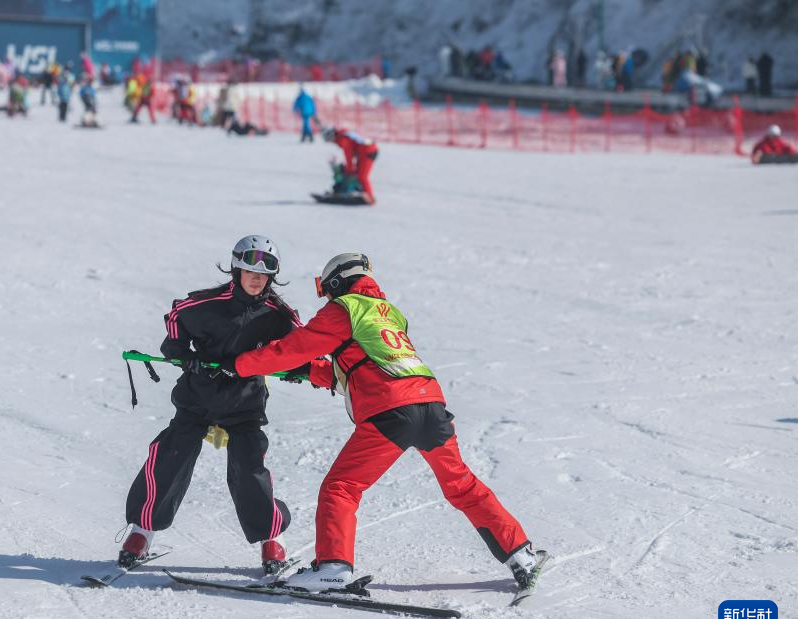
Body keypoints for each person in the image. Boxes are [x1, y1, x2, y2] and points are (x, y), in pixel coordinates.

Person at [219, 254, 544, 593]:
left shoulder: (344, 308)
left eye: (326, 291)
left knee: (341, 487)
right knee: (461, 485)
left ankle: (332, 568)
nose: (326, 298)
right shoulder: (388, 313)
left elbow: (293, 348)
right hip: (431, 406)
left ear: (335, 283)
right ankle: (521, 555)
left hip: (392, 412)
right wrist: (310, 371)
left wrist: (238, 365)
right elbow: (363, 367)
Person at [117, 236, 301, 576]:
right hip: (198, 398)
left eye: (264, 273)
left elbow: (300, 344)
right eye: (249, 269)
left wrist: (295, 367)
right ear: (236, 269)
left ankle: (271, 539)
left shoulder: (277, 315)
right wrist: (184, 355)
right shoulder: (205, 305)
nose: (257, 278)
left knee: (250, 469)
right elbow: (175, 320)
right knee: (170, 456)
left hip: (244, 402)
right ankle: (142, 531)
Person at [323, 128, 378, 205]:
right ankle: (361, 192)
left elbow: (349, 156)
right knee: (357, 174)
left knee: (362, 176)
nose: (331, 142)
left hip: (368, 151)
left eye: (329, 140)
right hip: (366, 151)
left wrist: (349, 170)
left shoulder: (343, 140)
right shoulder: (343, 135)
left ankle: (370, 197)